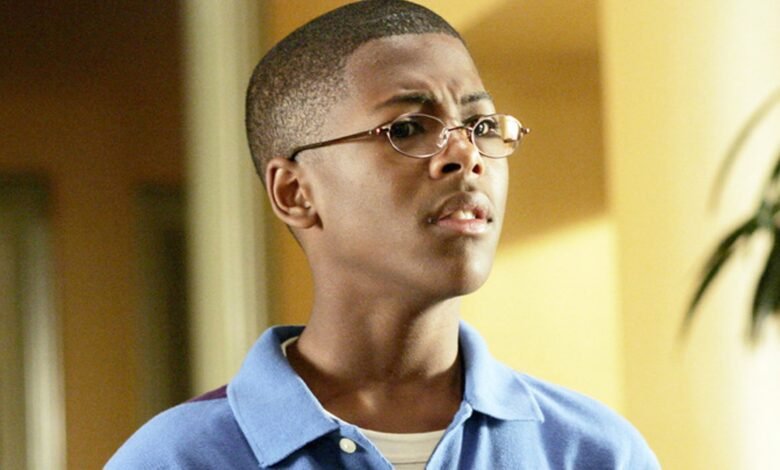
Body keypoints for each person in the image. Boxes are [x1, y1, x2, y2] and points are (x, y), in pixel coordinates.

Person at [108, 1, 660, 468]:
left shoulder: (594, 451)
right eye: (407, 128)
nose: (466, 154)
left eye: (482, 126)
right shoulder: (176, 458)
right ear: (296, 193)